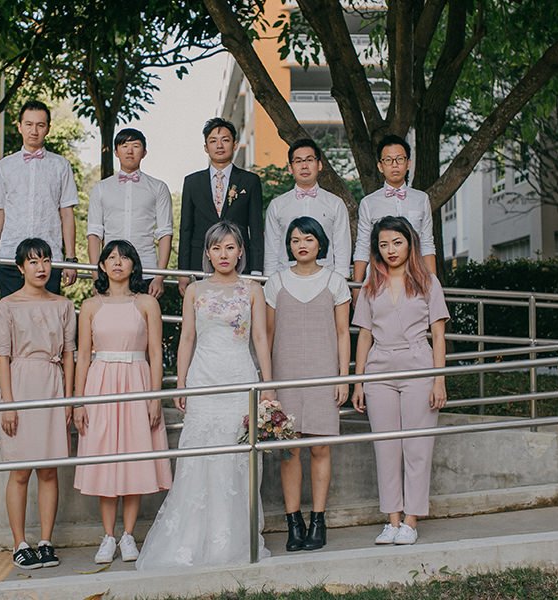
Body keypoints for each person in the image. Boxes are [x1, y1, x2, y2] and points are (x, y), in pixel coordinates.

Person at [136, 221, 274, 569]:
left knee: (238, 458)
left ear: (240, 252)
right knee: (200, 456)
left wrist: (268, 385)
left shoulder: (253, 289)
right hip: (204, 378)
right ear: (208, 253)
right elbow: (187, 338)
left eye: (230, 247)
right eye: (216, 248)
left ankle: (233, 538)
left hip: (240, 377)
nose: (223, 254)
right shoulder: (195, 290)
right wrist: (181, 383)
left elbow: (260, 338)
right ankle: (193, 539)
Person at [350, 216, 449, 546]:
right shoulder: (371, 284)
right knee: (386, 447)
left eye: (396, 242)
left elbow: (438, 334)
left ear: (409, 243)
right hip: (379, 367)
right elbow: (364, 335)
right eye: (383, 244)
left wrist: (438, 380)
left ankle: (411, 520)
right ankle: (392, 520)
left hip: (418, 363)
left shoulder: (427, 282)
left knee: (417, 446)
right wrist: (358, 382)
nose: (390, 250)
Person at [73, 240, 172, 564]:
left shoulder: (146, 303)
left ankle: (128, 535)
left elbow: (155, 352)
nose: (118, 262)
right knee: (105, 459)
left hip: (136, 382)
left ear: (133, 265)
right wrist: (78, 401)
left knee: (133, 457)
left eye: (124, 257)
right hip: (101, 385)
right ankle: (108, 536)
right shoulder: (90, 305)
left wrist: (154, 397)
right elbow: (83, 356)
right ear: (102, 265)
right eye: (111, 257)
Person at [264, 216, 351, 552]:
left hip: (323, 373)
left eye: (309, 239)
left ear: (320, 244)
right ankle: (294, 522)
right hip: (285, 374)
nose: (302, 245)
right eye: (295, 239)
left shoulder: (335, 282)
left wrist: (343, 377)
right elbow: (268, 334)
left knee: (320, 447)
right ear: (288, 245)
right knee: (289, 451)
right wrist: (268, 383)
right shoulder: (275, 283)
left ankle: (318, 520)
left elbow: (343, 333)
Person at [0, 237, 76, 570]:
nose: (41, 268)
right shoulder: (7, 306)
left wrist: (69, 399)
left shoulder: (63, 305)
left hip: (52, 384)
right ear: (20, 267)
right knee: (20, 470)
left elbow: (69, 355)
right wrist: (8, 404)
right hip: (21, 384)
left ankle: (45, 541)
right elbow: (2, 357)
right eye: (33, 261)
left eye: (45, 260)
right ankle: (19, 543)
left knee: (49, 470)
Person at [0, 100, 80, 296]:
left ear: (48, 129)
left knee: (46, 314)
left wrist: (70, 260)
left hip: (49, 259)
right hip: (9, 257)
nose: (34, 131)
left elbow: (67, 213)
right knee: (12, 313)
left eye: (40, 125)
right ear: (19, 127)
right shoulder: (5, 166)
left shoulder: (61, 166)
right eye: (28, 124)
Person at [177, 118, 264, 295]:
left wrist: (256, 271)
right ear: (206, 147)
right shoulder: (192, 182)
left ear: (234, 144)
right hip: (199, 263)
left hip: (239, 263)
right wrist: (183, 272)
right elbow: (185, 229)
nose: (219, 145)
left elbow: (256, 229)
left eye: (225, 140)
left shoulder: (250, 181)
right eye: (213, 141)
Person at [86, 128, 173, 299]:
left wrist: (159, 277)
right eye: (124, 146)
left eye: (136, 146)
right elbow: (94, 234)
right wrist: (96, 277)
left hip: (146, 270)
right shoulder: (101, 188)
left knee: (145, 316)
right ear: (116, 152)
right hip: (110, 270)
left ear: (144, 152)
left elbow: (165, 233)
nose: (130, 151)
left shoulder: (158, 188)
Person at [352, 135, 436, 298]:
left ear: (408, 163)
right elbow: (363, 245)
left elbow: (427, 243)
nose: (394, 165)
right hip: (379, 279)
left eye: (399, 159)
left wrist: (433, 286)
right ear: (380, 166)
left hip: (415, 278)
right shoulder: (368, 203)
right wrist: (356, 287)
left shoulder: (421, 199)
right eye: (388, 160)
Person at [263, 139, 351, 278]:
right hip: (286, 278)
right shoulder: (277, 205)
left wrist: (341, 280)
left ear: (319, 165)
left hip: (325, 279)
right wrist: (270, 279)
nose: (304, 166)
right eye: (298, 161)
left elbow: (342, 247)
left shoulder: (335, 204)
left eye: (309, 160)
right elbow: (271, 250)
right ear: (290, 168)